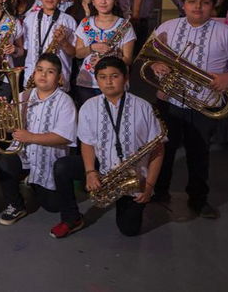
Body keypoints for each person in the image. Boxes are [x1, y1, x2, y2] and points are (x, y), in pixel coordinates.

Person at [151, 0, 228, 219]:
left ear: (213, 6)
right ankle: (159, 191)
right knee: (163, 149)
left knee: (199, 153)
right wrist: (156, 64)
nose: (198, 7)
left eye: (205, 2)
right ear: (183, 5)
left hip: (204, 103)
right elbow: (153, 56)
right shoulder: (167, 27)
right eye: (192, 1)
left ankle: (198, 199)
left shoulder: (225, 32)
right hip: (169, 100)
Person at [51, 57, 165, 238]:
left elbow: (158, 149)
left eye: (114, 76)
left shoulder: (144, 107)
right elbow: (87, 143)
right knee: (62, 166)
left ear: (126, 78)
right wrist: (90, 172)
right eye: (102, 77)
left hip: (132, 175)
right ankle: (71, 218)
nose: (108, 82)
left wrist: (149, 185)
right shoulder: (89, 106)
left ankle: (125, 200)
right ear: (97, 80)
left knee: (129, 230)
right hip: (102, 166)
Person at [0, 54, 76, 227]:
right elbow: (11, 130)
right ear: (34, 73)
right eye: (40, 70)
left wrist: (31, 137)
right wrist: (4, 115)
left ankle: (32, 182)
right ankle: (16, 205)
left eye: (50, 72)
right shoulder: (22, 96)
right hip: (22, 153)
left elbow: (65, 136)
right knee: (4, 162)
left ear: (59, 78)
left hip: (47, 158)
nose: (43, 75)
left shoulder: (65, 101)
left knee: (52, 206)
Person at [73, 0, 136, 107]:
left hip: (115, 83)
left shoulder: (125, 25)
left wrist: (108, 57)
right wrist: (92, 47)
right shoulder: (85, 23)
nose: (103, 2)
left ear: (115, 0)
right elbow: (78, 54)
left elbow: (128, 59)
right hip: (88, 83)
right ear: (93, 1)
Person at [22, 0, 77, 91]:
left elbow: (74, 53)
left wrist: (63, 42)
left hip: (59, 81)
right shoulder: (29, 18)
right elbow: (26, 49)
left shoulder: (69, 21)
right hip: (31, 79)